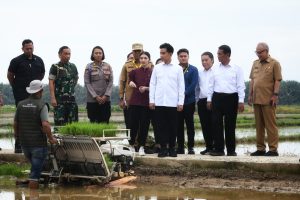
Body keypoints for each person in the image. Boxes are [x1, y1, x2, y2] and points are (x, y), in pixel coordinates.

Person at [13, 80, 57, 189]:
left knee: (34, 168)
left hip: (24, 144)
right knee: (34, 176)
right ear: (41, 91)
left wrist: (17, 136)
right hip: (38, 144)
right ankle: (33, 195)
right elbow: (45, 125)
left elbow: (15, 123)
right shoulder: (42, 105)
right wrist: (51, 138)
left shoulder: (20, 104)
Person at [7, 39, 45, 153]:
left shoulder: (39, 60)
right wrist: (16, 87)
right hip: (21, 94)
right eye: (27, 48)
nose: (29, 50)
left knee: (37, 119)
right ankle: (19, 146)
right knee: (20, 119)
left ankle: (36, 146)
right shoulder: (16, 61)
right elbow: (10, 76)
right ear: (22, 48)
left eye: (31, 48)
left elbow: (42, 74)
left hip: (36, 95)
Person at [207, 45, 245, 156]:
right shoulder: (214, 68)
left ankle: (231, 150)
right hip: (217, 98)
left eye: (220, 54)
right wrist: (209, 100)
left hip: (232, 98)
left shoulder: (237, 68)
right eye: (217, 53)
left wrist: (241, 101)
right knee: (216, 124)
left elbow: (240, 86)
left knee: (230, 125)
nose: (217, 56)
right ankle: (219, 149)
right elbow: (210, 85)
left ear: (227, 54)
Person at [149, 43, 185, 158]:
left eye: (163, 53)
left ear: (170, 54)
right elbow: (153, 84)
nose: (161, 55)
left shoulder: (178, 68)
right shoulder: (157, 68)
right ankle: (163, 148)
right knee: (161, 126)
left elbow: (181, 86)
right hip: (159, 102)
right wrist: (151, 100)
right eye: (160, 53)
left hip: (173, 103)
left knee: (173, 126)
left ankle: (172, 148)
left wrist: (180, 102)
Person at [248, 42, 282, 156]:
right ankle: (260, 149)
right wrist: (250, 95)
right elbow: (252, 80)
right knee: (259, 126)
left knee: (271, 125)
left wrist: (275, 95)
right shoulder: (255, 63)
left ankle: (273, 150)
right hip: (256, 99)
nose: (258, 54)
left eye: (260, 52)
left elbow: (277, 80)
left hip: (268, 99)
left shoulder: (274, 63)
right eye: (257, 52)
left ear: (267, 51)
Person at [128, 51, 152, 156]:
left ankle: (142, 146)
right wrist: (131, 83)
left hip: (147, 102)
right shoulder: (134, 71)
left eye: (145, 58)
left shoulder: (153, 72)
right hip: (135, 101)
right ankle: (132, 145)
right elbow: (129, 81)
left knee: (144, 125)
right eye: (141, 58)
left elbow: (157, 87)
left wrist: (147, 88)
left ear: (149, 60)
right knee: (133, 124)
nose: (143, 60)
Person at [49, 46, 79, 126]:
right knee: (60, 123)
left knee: (73, 124)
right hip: (59, 101)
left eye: (69, 54)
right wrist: (53, 97)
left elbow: (75, 80)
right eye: (65, 54)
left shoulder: (73, 67)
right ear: (59, 55)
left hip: (71, 100)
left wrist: (69, 89)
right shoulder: (55, 67)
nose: (68, 56)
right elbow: (51, 82)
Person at [176, 48, 198, 154]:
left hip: (189, 101)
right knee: (178, 125)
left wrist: (182, 94)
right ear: (178, 57)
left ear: (188, 57)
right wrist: (178, 96)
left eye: (185, 56)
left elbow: (193, 85)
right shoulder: (174, 69)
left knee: (190, 125)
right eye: (181, 56)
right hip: (176, 102)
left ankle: (191, 147)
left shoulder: (193, 69)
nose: (183, 58)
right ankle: (180, 147)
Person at [84, 46, 113, 123]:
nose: (98, 54)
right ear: (93, 55)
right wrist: (95, 96)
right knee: (93, 122)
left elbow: (110, 82)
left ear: (103, 54)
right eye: (96, 53)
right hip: (92, 100)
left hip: (105, 100)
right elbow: (87, 83)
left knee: (105, 121)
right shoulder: (89, 67)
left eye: (100, 53)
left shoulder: (108, 66)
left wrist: (106, 96)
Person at [119, 43, 144, 130]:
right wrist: (121, 98)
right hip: (130, 98)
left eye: (139, 51)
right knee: (131, 121)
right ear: (132, 52)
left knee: (143, 121)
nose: (137, 53)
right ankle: (132, 142)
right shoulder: (126, 65)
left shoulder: (149, 64)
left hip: (144, 98)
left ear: (142, 51)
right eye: (135, 51)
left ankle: (141, 142)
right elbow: (122, 82)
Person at [196, 51, 215, 155]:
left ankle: (216, 147)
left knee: (214, 124)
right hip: (202, 101)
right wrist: (197, 100)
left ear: (212, 60)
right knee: (204, 125)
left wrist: (210, 99)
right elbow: (197, 88)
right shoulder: (199, 73)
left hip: (213, 100)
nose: (204, 62)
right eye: (202, 60)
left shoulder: (216, 71)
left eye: (206, 60)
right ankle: (208, 146)